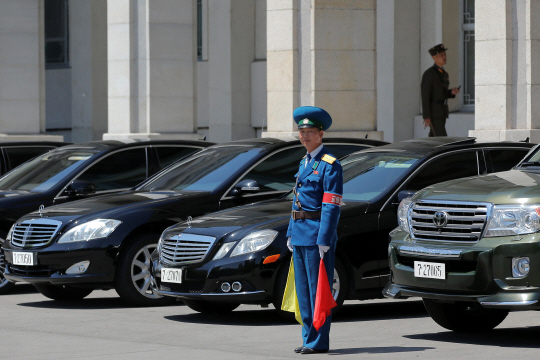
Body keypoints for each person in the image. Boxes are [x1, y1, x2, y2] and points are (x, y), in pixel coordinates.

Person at [286, 106, 343, 354]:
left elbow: (331, 206)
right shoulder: (304, 161)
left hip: (316, 234)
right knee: (304, 292)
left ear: (321, 134)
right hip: (299, 233)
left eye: (310, 131)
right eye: (302, 131)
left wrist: (325, 238)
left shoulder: (330, 164)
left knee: (318, 290)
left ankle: (319, 342)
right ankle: (308, 337)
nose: (305, 136)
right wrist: (290, 231)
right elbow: (295, 200)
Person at [421, 43, 460, 137]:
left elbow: (441, 93)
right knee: (441, 138)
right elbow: (425, 95)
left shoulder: (444, 74)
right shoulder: (429, 74)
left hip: (442, 112)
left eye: (445, 54)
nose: (444, 57)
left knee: (434, 139)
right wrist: (426, 116)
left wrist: (451, 92)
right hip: (434, 113)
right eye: (441, 55)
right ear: (434, 57)